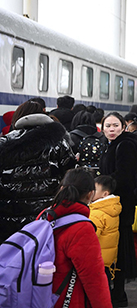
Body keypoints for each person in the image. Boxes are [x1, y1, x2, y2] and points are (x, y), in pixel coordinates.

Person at [0, 100, 74, 242]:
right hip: (46, 215)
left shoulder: (5, 142)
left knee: (12, 256)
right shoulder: (59, 143)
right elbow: (69, 174)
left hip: (9, 216)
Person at [47, 169, 112, 308]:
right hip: (69, 300)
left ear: (62, 188)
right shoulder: (82, 228)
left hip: (41, 296)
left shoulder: (45, 216)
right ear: (90, 195)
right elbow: (94, 280)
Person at [99, 112, 137, 306]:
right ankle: (116, 294)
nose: (111, 129)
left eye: (115, 125)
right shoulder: (112, 144)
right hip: (112, 203)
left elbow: (124, 176)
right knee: (115, 249)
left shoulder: (125, 145)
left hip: (120, 205)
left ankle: (118, 295)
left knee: (118, 250)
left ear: (123, 126)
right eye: (107, 126)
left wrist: (101, 187)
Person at [89, 175, 121, 288]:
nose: (91, 192)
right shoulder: (111, 208)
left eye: (94, 190)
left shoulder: (98, 213)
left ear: (105, 194)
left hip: (97, 259)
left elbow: (91, 236)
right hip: (107, 259)